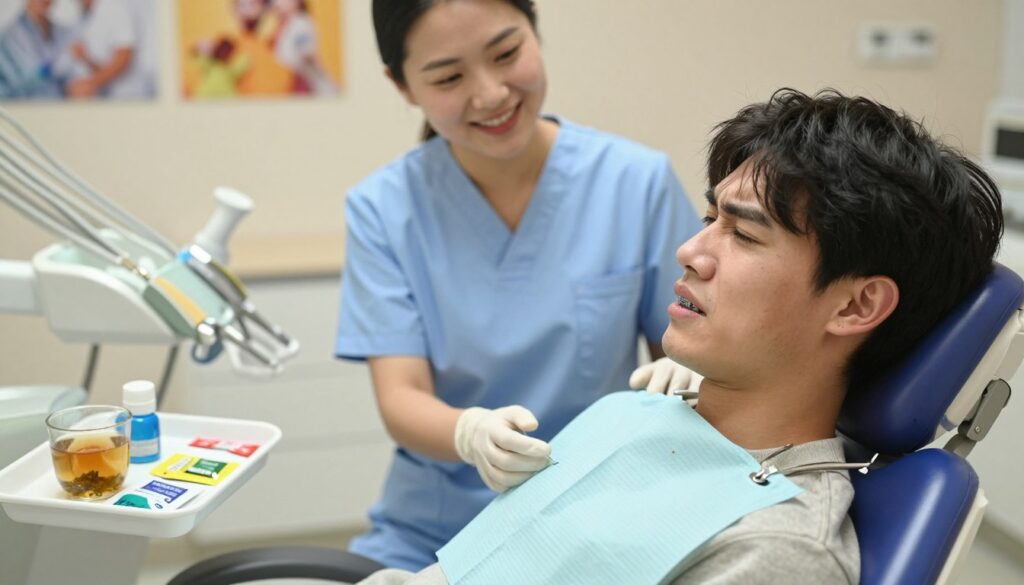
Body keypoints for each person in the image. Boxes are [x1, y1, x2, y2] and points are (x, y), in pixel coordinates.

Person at [352, 89, 1005, 584]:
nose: (690, 250)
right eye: (707, 218)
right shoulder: (637, 412)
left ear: (857, 303)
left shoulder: (773, 549)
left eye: (744, 234)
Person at [335, 0, 702, 571]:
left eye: (506, 53)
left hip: (600, 513)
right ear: (403, 85)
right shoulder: (383, 210)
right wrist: (469, 433)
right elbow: (400, 397)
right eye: (449, 76)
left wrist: (695, 377)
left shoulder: (635, 182)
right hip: (433, 532)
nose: (490, 94)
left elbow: (690, 350)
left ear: (535, 32)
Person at [63, 0, 153, 100]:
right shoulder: (84, 16)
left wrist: (91, 83)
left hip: (127, 95)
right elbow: (103, 64)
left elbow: (124, 57)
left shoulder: (115, 8)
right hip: (104, 96)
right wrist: (87, 60)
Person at [0, 0, 74, 99]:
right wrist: (57, 65)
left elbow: (72, 75)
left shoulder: (63, 32)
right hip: (23, 108)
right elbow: (24, 78)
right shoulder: (10, 36)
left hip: (58, 108)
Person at [269, 0, 337, 95]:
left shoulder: (301, 24)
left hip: (313, 92)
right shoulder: (281, 26)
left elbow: (308, 56)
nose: (277, 3)